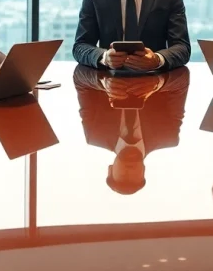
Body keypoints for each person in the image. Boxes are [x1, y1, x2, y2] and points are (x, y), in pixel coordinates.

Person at [74, 64, 189, 195]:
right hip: (153, 63)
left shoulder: (95, 135)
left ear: (110, 170)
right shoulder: (167, 136)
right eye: (134, 177)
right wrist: (158, 83)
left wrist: (102, 83)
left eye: (123, 176)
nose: (129, 171)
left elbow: (79, 77)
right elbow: (183, 78)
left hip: (108, 62)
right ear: (144, 171)